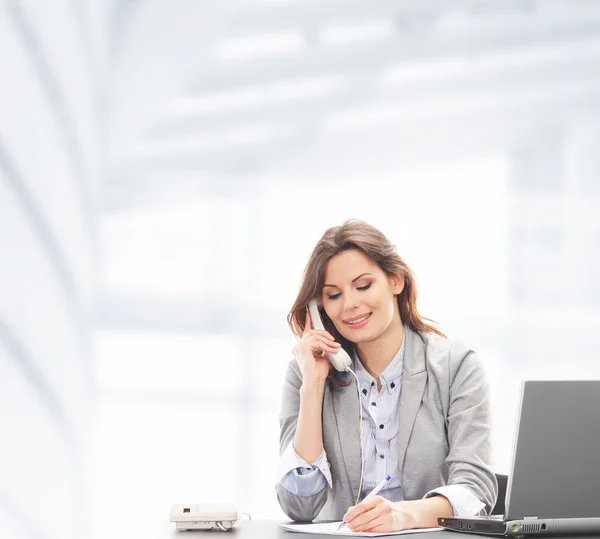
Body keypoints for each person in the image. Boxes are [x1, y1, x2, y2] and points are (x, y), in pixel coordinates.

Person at [275, 219, 497, 532]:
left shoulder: (456, 366)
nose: (350, 304)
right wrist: (313, 387)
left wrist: (402, 516)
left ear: (395, 281)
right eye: (333, 295)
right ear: (318, 307)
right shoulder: (306, 373)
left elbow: (475, 489)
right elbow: (300, 506)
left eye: (363, 286)